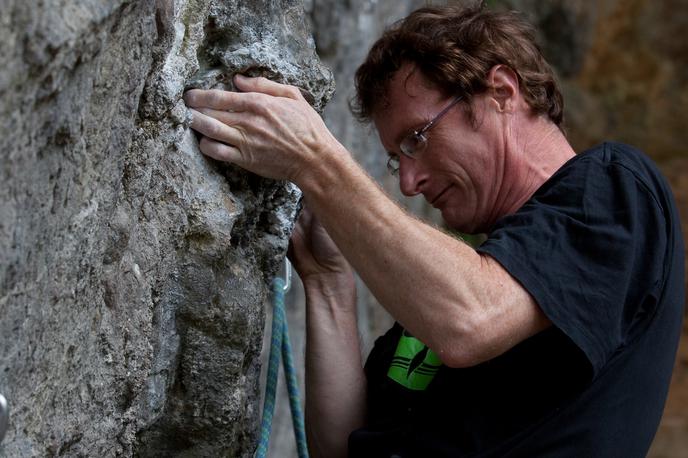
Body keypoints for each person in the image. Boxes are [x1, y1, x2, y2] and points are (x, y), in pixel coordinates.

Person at [183, 4, 685, 457]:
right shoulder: (462, 279)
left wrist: (317, 161)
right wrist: (327, 282)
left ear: (501, 93)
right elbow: (340, 445)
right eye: (395, 159)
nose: (407, 182)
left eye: (417, 139)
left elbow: (471, 320)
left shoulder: (616, 189)